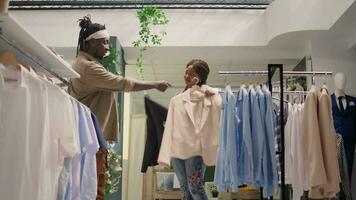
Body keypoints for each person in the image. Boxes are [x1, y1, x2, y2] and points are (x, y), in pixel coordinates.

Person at [68, 16, 171, 200]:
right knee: (93, 191)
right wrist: (155, 84)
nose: (107, 46)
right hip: (91, 139)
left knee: (89, 188)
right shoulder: (89, 67)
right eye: (104, 42)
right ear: (91, 43)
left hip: (88, 136)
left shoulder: (82, 63)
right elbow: (121, 83)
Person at [158, 59, 221, 200]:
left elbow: (217, 108)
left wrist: (207, 90)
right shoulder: (177, 100)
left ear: (199, 76)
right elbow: (170, 127)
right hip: (178, 151)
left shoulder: (209, 96)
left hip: (196, 150)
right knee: (185, 191)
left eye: (191, 73)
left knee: (195, 187)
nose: (186, 76)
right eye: (186, 72)